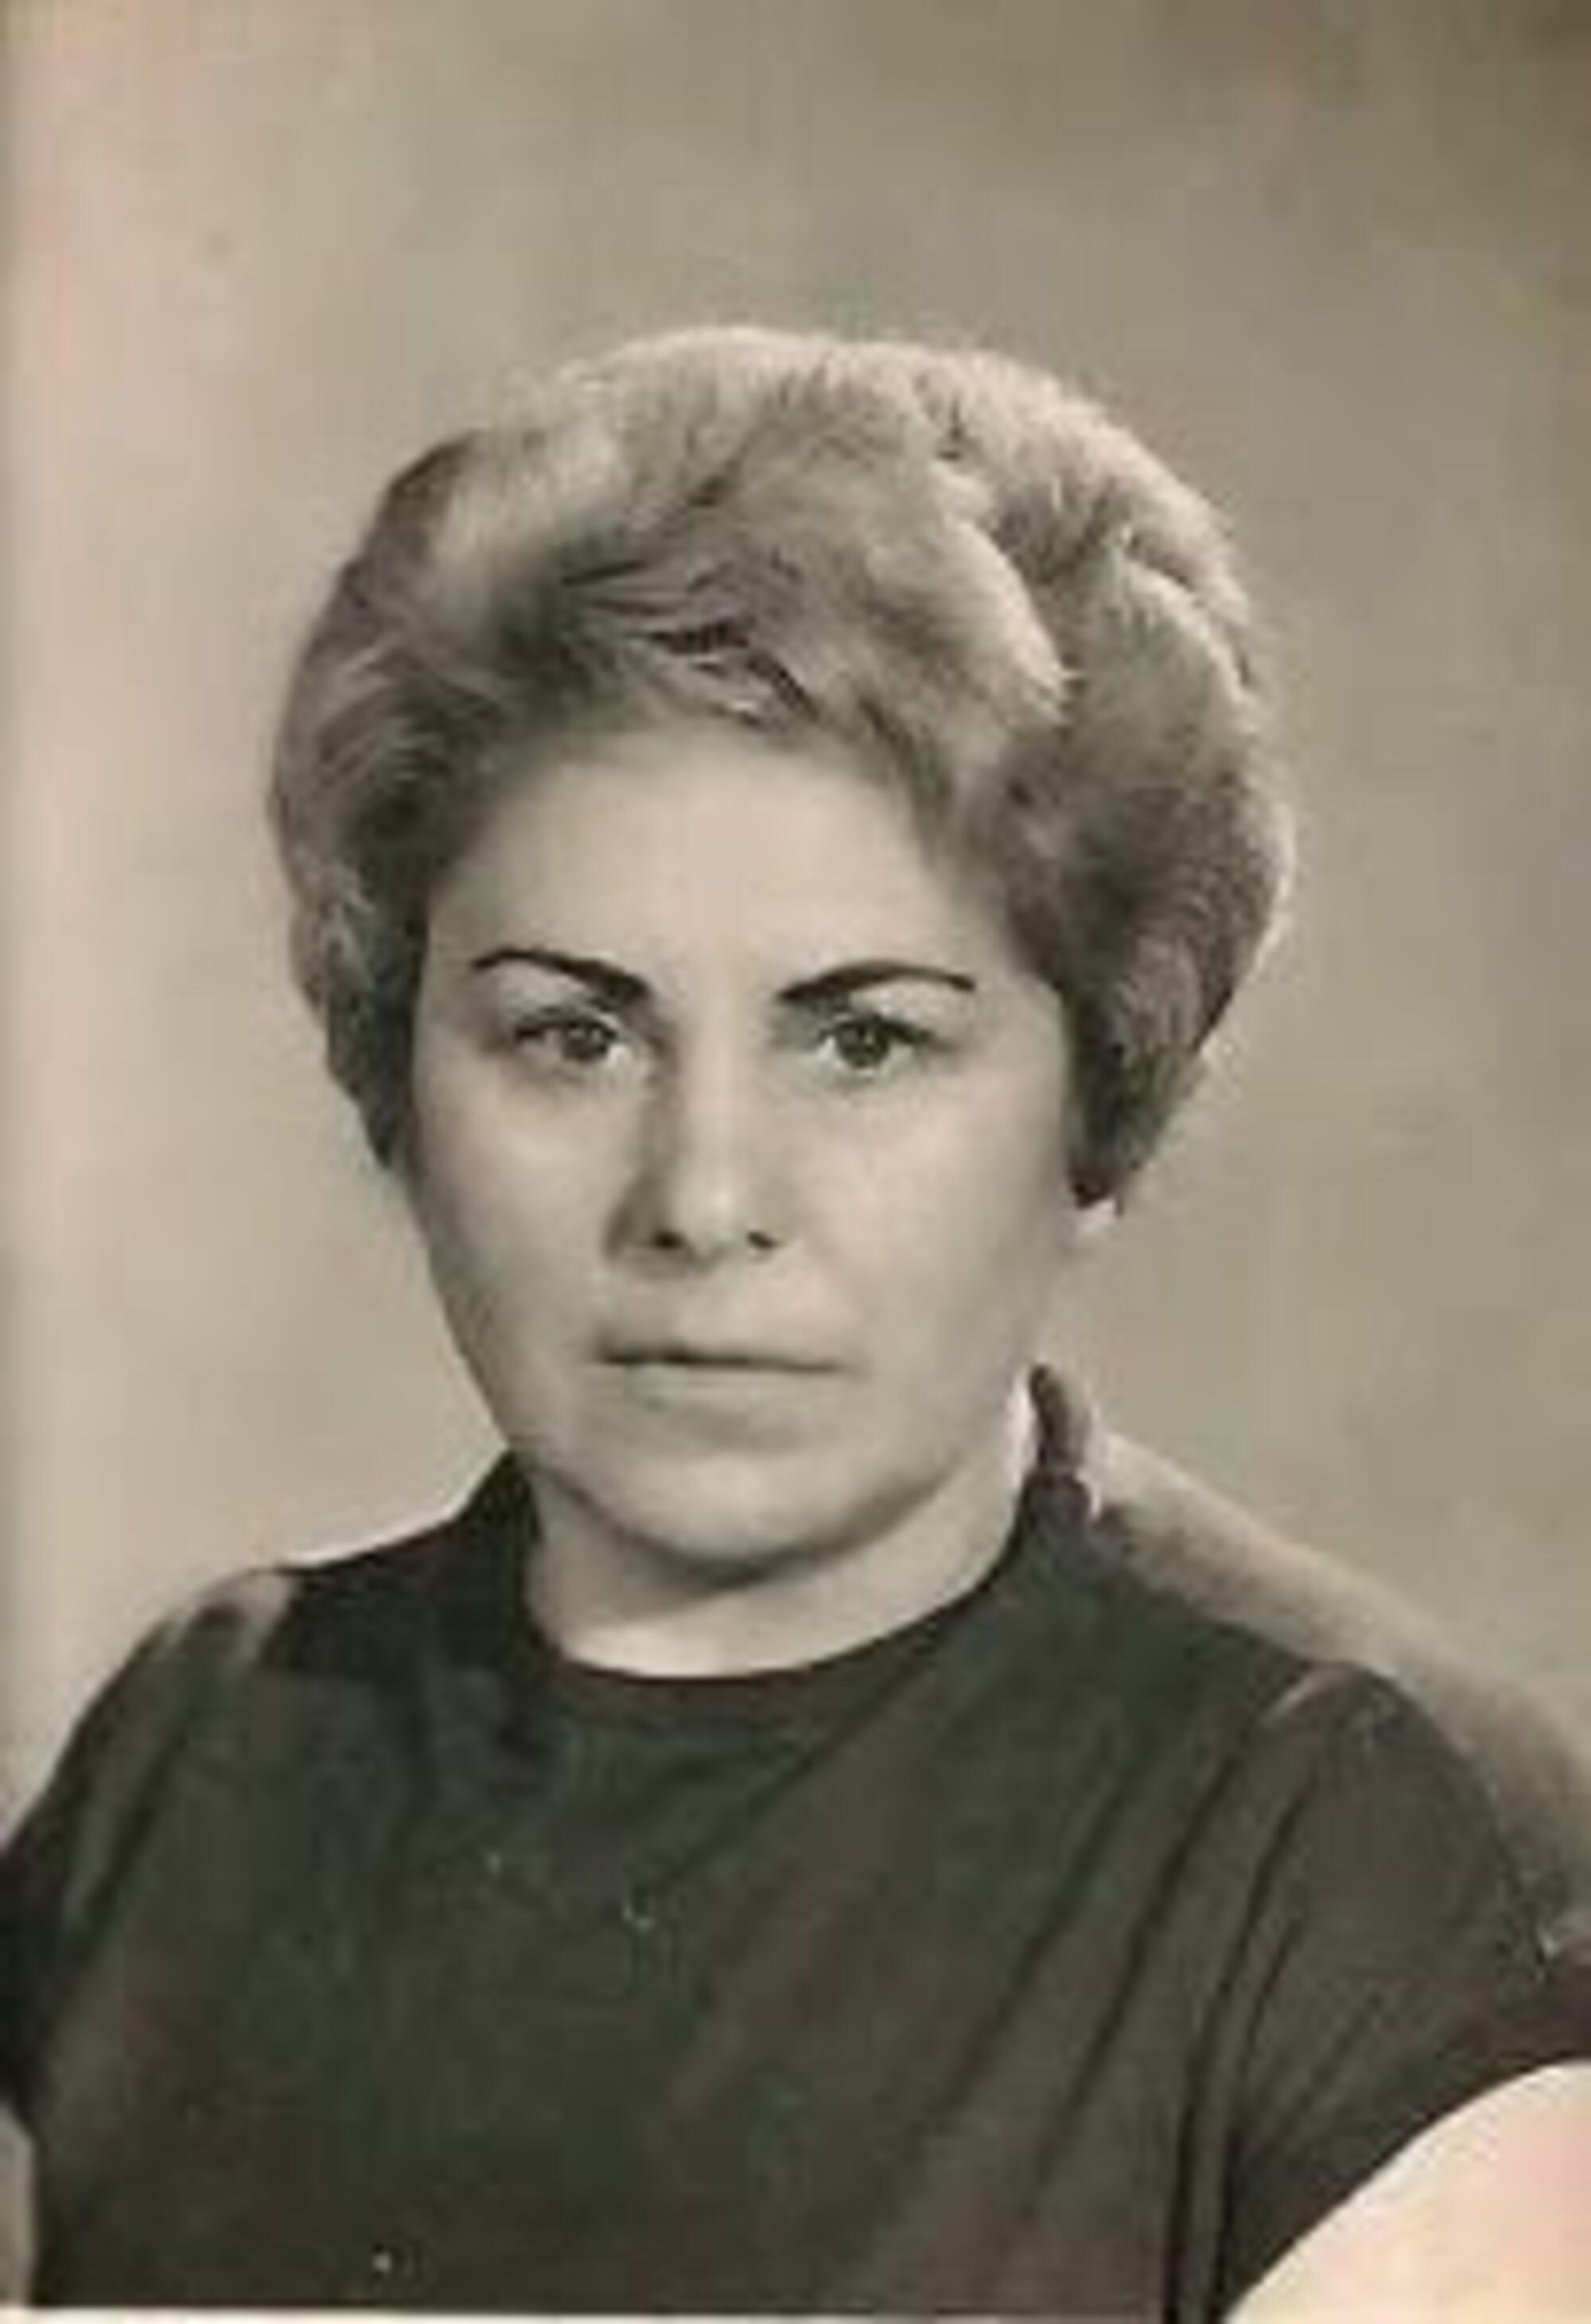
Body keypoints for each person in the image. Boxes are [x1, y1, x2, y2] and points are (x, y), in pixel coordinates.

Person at [2, 326, 1588, 2318]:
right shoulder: (201, 1749)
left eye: (862, 1041)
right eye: (573, 1034)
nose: (702, 1197)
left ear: (1099, 1092)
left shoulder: (1358, 1834)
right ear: (398, 1067)